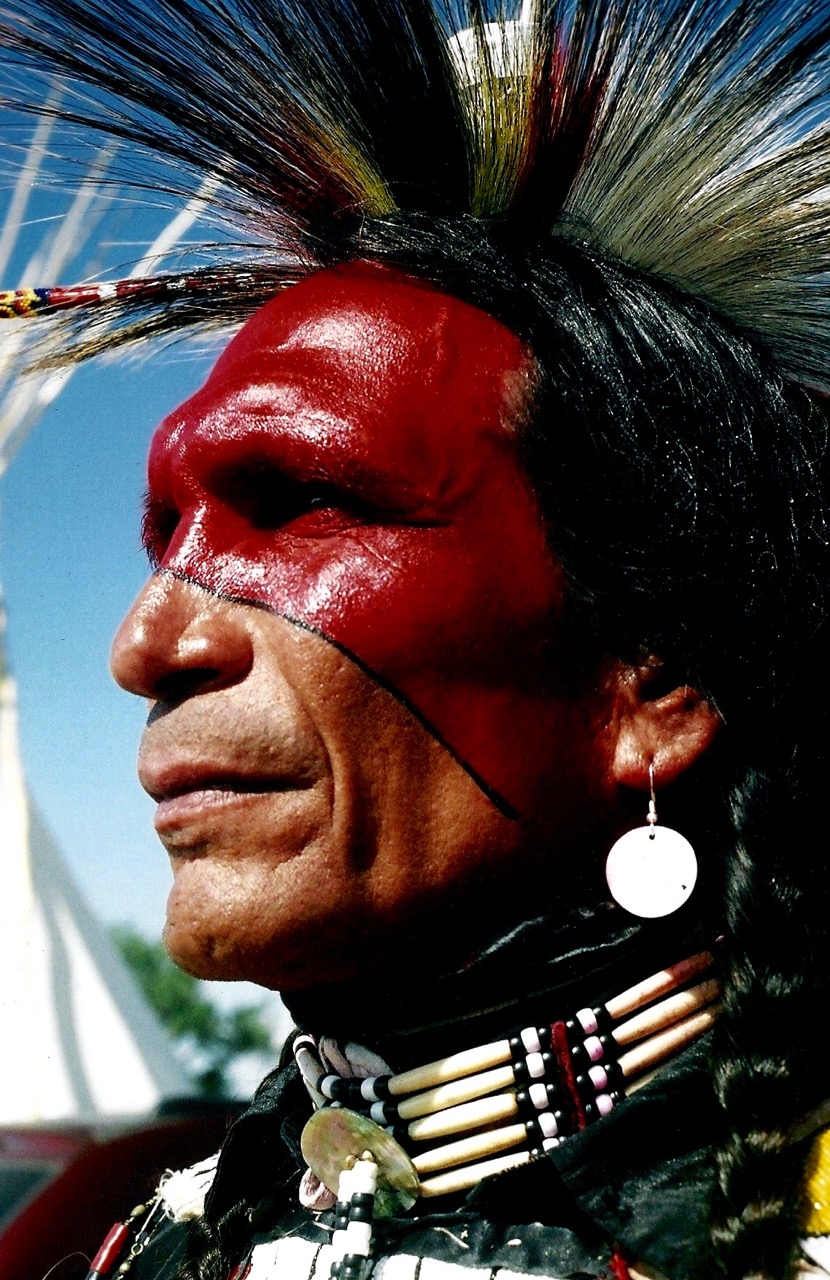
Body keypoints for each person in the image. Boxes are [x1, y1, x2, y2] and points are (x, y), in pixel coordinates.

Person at [3, 2, 830, 1279]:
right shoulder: (133, 1233)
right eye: (163, 530)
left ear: (652, 680)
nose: (145, 639)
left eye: (304, 501)